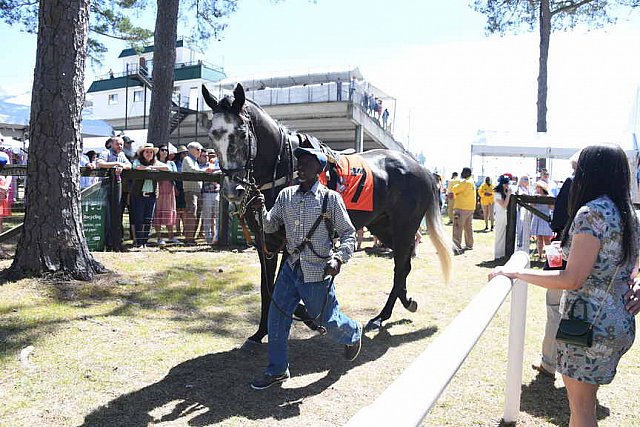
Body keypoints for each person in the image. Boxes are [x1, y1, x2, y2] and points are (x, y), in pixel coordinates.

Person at [489, 144, 639, 427]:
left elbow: (572, 279)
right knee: (585, 406)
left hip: (587, 326)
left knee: (581, 411)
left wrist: (517, 274)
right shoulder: (627, 213)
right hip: (617, 322)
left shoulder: (592, 213)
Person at [249, 147, 362, 390]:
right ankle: (277, 370)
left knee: (328, 322)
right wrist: (259, 210)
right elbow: (269, 226)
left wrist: (339, 259)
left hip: (318, 271)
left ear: (319, 169)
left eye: (307, 163)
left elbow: (348, 233)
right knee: (276, 318)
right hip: (290, 268)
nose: (300, 167)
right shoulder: (286, 195)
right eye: (299, 163)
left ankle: (353, 332)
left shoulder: (330, 199)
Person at [532, 153, 579, 378]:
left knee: (554, 310)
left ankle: (549, 362)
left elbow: (558, 219)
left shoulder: (572, 184)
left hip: (563, 256)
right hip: (588, 264)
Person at [97, 136, 132, 250]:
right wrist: (116, 164)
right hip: (105, 188)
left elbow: (129, 165)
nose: (120, 146)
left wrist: (122, 166)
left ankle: (116, 241)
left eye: (121, 144)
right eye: (117, 144)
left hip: (118, 189)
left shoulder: (122, 155)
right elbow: (100, 163)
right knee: (107, 216)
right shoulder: (106, 152)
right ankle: (108, 242)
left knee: (117, 215)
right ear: (111, 144)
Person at [130, 144, 168, 247]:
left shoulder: (155, 162)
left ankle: (144, 242)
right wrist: (150, 168)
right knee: (138, 219)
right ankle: (138, 242)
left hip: (151, 196)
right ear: (142, 153)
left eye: (151, 152)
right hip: (139, 195)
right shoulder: (138, 161)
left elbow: (166, 167)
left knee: (149, 219)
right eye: (147, 151)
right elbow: (137, 167)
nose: (149, 154)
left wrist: (152, 167)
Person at [181, 141, 215, 244]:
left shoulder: (194, 160)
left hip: (197, 191)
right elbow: (192, 170)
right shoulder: (187, 159)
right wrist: (205, 171)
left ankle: (191, 238)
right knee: (192, 213)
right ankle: (189, 238)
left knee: (197, 214)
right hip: (190, 190)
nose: (200, 151)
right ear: (191, 150)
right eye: (198, 149)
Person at [153, 144, 180, 245]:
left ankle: (171, 236)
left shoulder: (172, 163)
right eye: (162, 150)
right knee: (158, 211)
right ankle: (159, 238)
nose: (164, 152)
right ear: (158, 151)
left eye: (166, 150)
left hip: (169, 189)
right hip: (158, 188)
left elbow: (174, 173)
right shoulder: (154, 162)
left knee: (170, 211)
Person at [451, 167, 476, 254]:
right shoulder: (472, 181)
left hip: (461, 208)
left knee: (457, 227)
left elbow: (454, 189)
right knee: (468, 227)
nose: (461, 173)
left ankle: (456, 246)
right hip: (470, 208)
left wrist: (456, 185)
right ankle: (469, 244)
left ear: (466, 173)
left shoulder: (465, 182)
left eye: (462, 172)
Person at [200, 149, 221, 245]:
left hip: (217, 192)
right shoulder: (201, 166)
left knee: (217, 216)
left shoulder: (216, 165)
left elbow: (221, 172)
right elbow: (202, 173)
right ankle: (208, 237)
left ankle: (216, 236)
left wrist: (212, 172)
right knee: (207, 216)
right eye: (207, 155)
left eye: (212, 155)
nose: (209, 157)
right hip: (207, 193)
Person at [530, 181, 554, 261]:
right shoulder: (535, 196)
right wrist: (534, 199)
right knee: (539, 238)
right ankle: (540, 255)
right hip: (537, 217)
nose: (536, 189)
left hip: (545, 218)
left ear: (541, 188)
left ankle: (549, 256)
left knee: (547, 239)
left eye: (537, 187)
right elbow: (532, 206)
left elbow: (551, 207)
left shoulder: (549, 196)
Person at [493, 174, 512, 259]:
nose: (507, 185)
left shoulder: (504, 192)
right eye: (506, 184)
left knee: (504, 234)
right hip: (500, 215)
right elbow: (504, 205)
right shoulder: (497, 193)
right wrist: (508, 195)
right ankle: (498, 254)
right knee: (499, 234)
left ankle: (503, 253)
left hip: (505, 215)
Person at [173, 145, 188, 236]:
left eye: (186, 153)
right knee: (178, 210)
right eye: (183, 153)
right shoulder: (175, 163)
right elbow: (173, 177)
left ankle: (185, 229)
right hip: (177, 186)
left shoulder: (188, 162)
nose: (185, 154)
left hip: (185, 186)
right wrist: (174, 187)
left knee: (185, 210)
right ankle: (178, 230)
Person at [0, 149, 12, 259]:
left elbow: (9, 173)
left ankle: (0, 249)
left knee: (0, 221)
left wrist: (5, 187)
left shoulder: (4, 155)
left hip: (2, 188)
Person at [515, 175, 533, 250]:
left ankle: (524, 243)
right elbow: (521, 195)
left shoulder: (528, 189)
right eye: (525, 179)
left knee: (526, 227)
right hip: (521, 210)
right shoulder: (519, 188)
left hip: (527, 211)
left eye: (527, 179)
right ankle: (519, 244)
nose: (527, 181)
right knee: (520, 227)